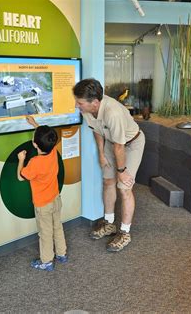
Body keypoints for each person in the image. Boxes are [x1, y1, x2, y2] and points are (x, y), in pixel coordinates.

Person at [73, 78, 145, 252]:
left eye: (79, 103)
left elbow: (120, 147)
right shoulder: (88, 109)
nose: (76, 105)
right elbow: (97, 131)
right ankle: (109, 223)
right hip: (111, 143)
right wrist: (101, 154)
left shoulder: (113, 112)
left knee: (124, 187)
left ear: (95, 102)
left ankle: (125, 232)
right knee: (107, 182)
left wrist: (122, 171)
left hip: (131, 143)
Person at [17, 119, 67, 271]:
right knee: (57, 227)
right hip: (55, 199)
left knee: (45, 233)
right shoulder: (52, 151)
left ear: (35, 144)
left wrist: (21, 160)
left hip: (42, 205)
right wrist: (35, 125)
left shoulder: (34, 162)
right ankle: (61, 254)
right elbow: (46, 139)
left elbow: (20, 176)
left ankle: (46, 261)